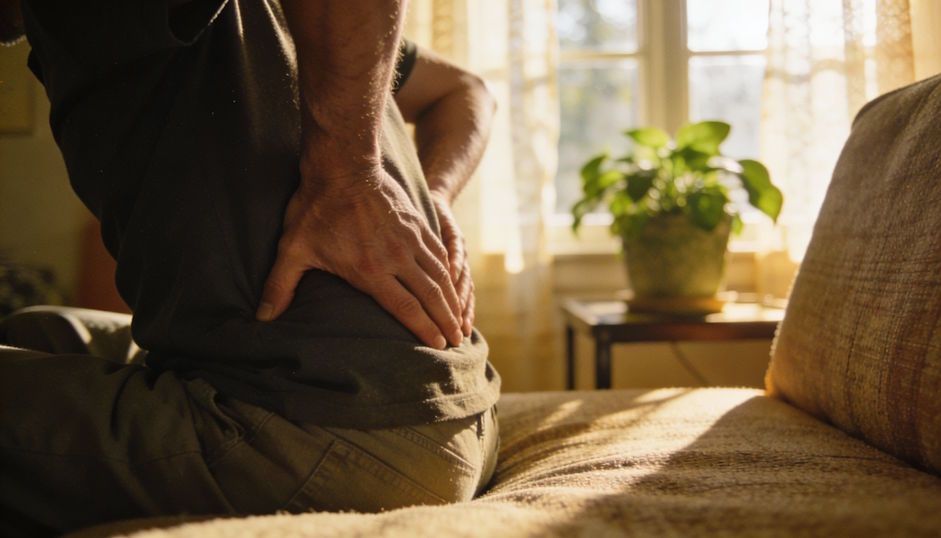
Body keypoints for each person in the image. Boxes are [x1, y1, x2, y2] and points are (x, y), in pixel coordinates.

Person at [0, 0, 501, 536]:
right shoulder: (298, 23)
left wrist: (350, 178)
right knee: (41, 330)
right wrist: (434, 200)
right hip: (460, 412)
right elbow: (466, 89)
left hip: (329, 428)